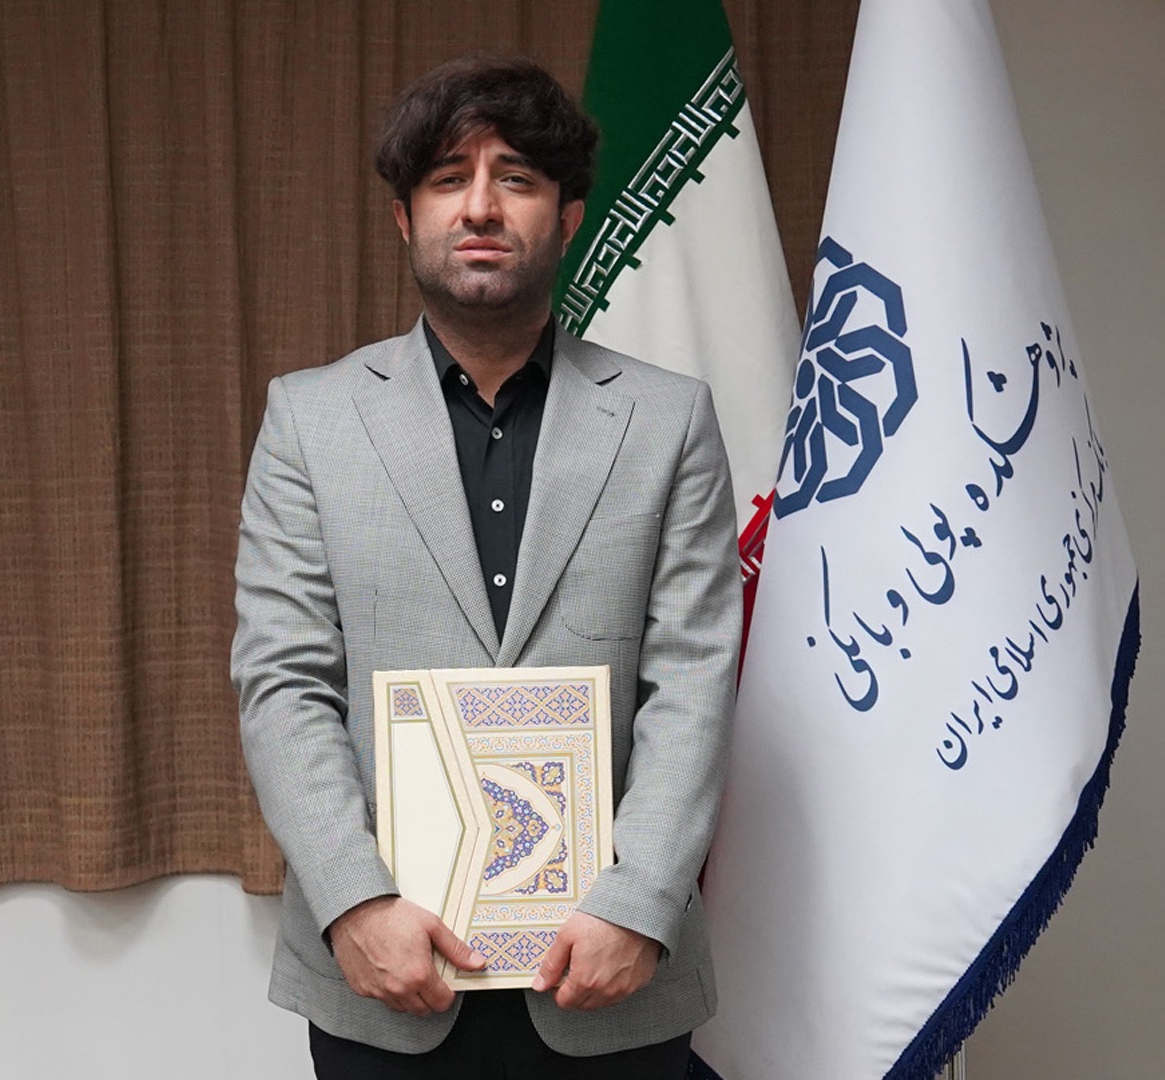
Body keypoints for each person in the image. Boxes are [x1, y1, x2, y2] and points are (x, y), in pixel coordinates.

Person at [231, 54, 740, 1079]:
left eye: (516, 178)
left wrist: (639, 902)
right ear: (403, 218)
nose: (480, 206)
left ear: (569, 217)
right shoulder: (310, 421)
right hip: (386, 973)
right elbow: (283, 682)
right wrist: (355, 902)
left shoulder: (668, 419)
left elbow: (692, 679)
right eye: (446, 178)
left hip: (608, 973)